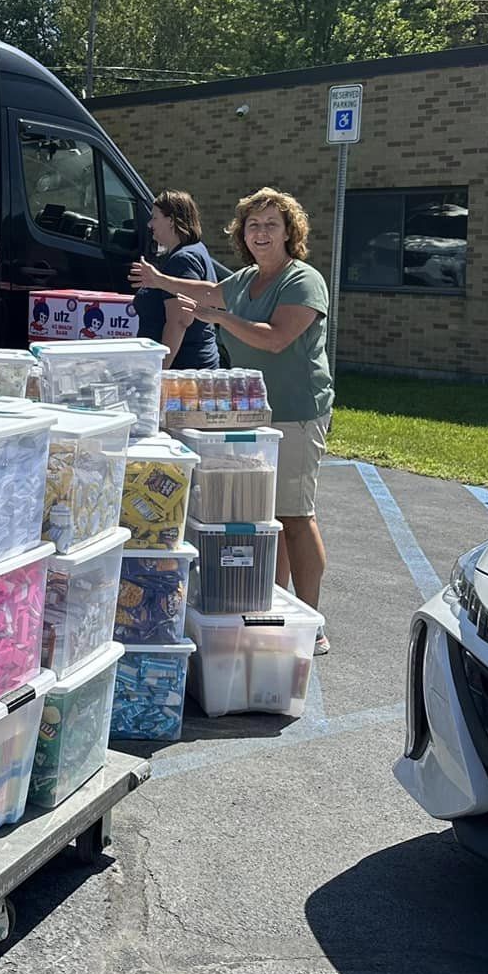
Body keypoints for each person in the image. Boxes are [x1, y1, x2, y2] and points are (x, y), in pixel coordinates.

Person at [129, 186, 335, 651]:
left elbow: (276, 338)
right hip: (256, 416)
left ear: (290, 232)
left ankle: (314, 621)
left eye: (271, 225)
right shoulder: (248, 278)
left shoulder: (301, 280)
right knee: (266, 516)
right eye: (253, 225)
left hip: (297, 414)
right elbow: (211, 290)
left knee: (295, 515)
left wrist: (215, 317)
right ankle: (276, 605)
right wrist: (163, 282)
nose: (261, 233)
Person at [132, 190, 220, 369]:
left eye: (155, 218)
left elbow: (180, 320)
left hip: (184, 370)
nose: (149, 224)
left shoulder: (183, 260)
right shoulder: (194, 250)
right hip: (192, 366)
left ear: (171, 220)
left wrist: (160, 371)